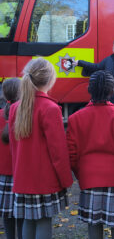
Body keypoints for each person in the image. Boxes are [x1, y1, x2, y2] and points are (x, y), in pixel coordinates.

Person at [8, 58, 73, 239]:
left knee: (29, 221)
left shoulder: (15, 108)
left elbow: (14, 148)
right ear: (51, 80)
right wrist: (66, 180)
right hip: (44, 180)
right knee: (44, 221)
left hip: (22, 178)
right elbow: (58, 152)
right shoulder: (50, 109)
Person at [66, 70, 114, 239]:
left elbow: (72, 154)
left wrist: (80, 173)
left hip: (89, 179)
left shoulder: (76, 118)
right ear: (112, 91)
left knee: (93, 226)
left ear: (89, 90)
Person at [0, 78, 23, 239]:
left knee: (6, 214)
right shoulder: (26, 115)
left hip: (2, 173)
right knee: (22, 214)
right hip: (21, 173)